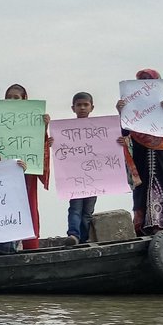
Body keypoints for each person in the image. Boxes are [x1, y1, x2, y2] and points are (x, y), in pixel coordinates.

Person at [0, 83, 52, 250]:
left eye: (16, 97)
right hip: (1, 174)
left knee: (28, 206)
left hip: (25, 171)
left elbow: (39, 145)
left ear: (24, 99)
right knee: (0, 205)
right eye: (9, 97)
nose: (12, 100)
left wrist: (44, 128)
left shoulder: (34, 119)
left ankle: (30, 246)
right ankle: (3, 245)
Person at [117, 69, 163, 235]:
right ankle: (143, 227)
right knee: (142, 187)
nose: (145, 84)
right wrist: (121, 112)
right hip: (140, 149)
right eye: (141, 81)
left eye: (149, 81)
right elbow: (125, 132)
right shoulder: (130, 103)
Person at [66, 92, 97, 243]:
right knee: (75, 208)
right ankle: (74, 235)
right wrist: (53, 141)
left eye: (86, 105)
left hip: (94, 176)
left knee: (88, 211)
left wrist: (118, 141)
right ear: (73, 108)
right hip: (75, 177)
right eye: (79, 105)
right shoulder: (65, 130)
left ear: (92, 107)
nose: (82, 108)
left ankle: (84, 238)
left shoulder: (100, 128)